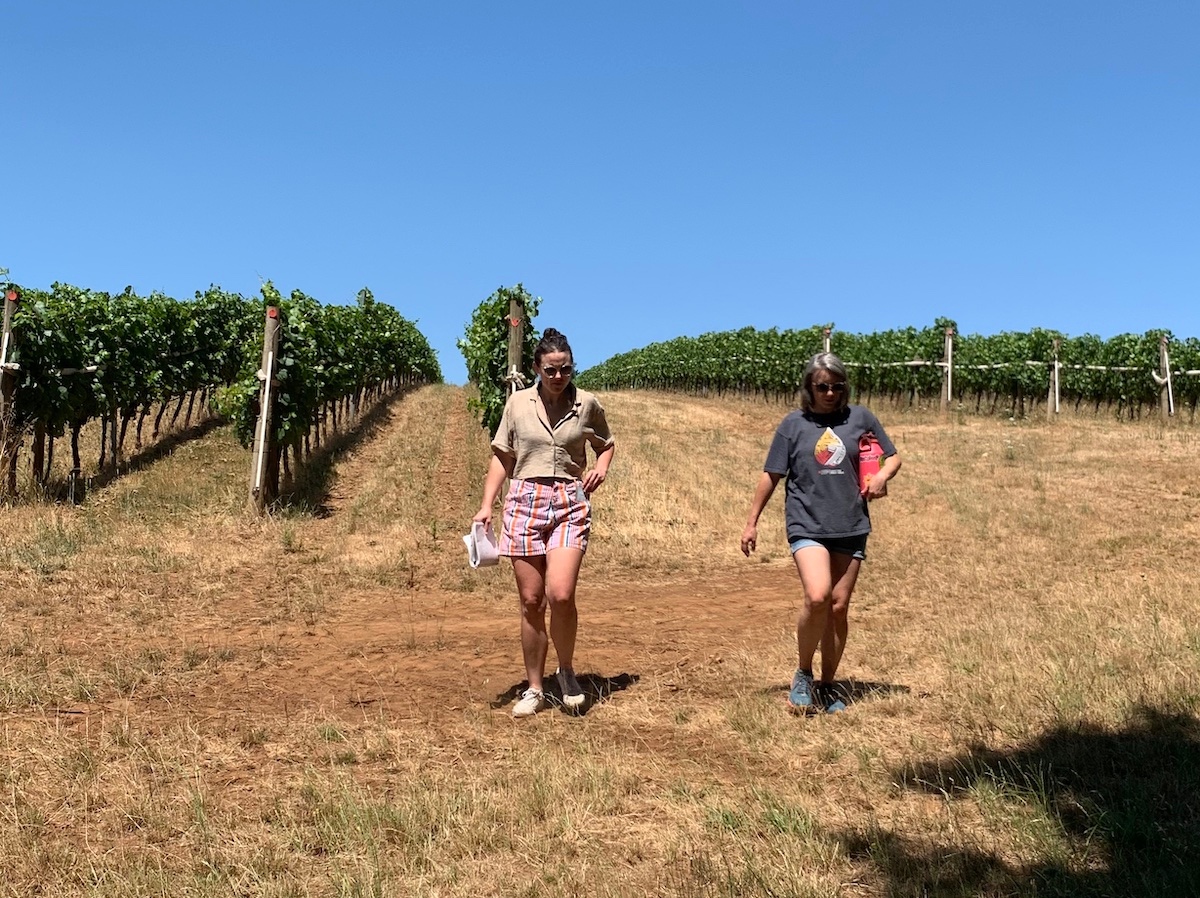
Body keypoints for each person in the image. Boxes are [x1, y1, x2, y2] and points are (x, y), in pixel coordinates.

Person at [740, 351, 901, 714]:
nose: (830, 393)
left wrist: (882, 476)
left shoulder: (861, 418)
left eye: (837, 386)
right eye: (822, 386)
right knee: (818, 596)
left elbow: (892, 457)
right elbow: (771, 475)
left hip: (850, 524)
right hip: (806, 523)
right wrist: (752, 521)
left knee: (839, 607)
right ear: (808, 388)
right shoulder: (793, 425)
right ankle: (803, 672)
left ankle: (828, 685)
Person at [474, 328, 616, 718]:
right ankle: (535, 687)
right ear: (537, 368)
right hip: (524, 501)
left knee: (561, 594)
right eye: (551, 369)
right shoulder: (517, 405)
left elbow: (606, 444)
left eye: (566, 369)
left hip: (569, 501)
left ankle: (566, 671)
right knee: (531, 601)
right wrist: (487, 504)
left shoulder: (587, 404)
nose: (558, 376)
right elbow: (503, 456)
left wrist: (600, 469)